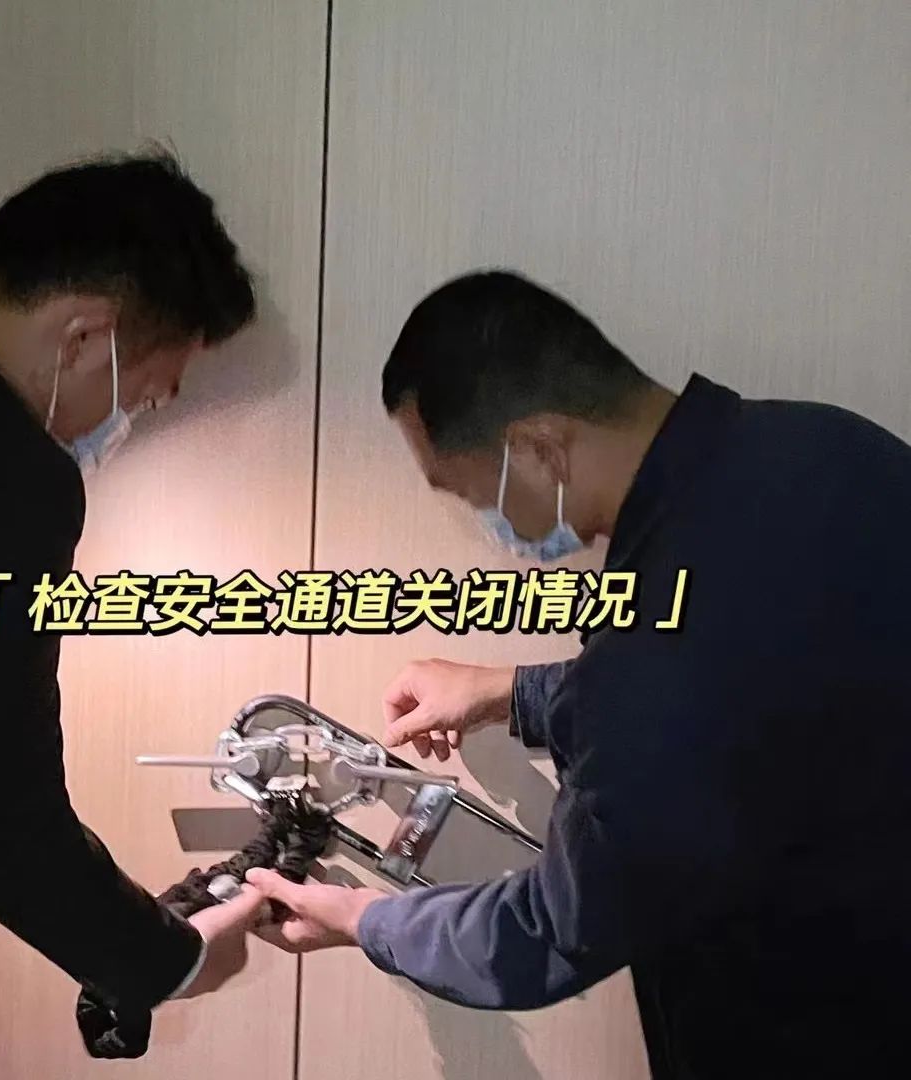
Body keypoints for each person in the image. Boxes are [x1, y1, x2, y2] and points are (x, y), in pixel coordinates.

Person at [247, 270, 911, 1079]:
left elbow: (549, 933)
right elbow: (756, 690)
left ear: (539, 449)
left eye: (469, 494)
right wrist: (513, 692)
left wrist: (367, 919)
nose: (486, 524)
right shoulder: (836, 449)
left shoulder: (649, 660)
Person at [0, 149, 268, 1080]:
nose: (118, 426)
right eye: (141, 395)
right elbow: (7, 833)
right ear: (82, 337)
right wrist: (176, 959)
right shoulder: (1, 470)